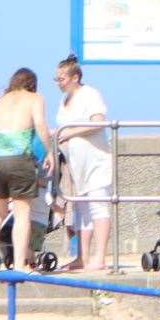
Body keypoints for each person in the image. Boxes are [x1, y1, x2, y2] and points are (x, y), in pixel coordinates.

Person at [0, 68, 52, 270]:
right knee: (22, 212)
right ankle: (19, 265)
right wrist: (51, 153)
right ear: (32, 84)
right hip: (19, 158)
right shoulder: (35, 98)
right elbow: (41, 125)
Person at [53, 55, 111, 271]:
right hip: (75, 164)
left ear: (75, 77)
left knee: (98, 206)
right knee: (81, 211)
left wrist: (70, 133)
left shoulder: (90, 94)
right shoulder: (63, 101)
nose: (59, 83)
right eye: (57, 79)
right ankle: (82, 257)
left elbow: (99, 123)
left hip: (94, 161)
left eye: (62, 79)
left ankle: (100, 257)